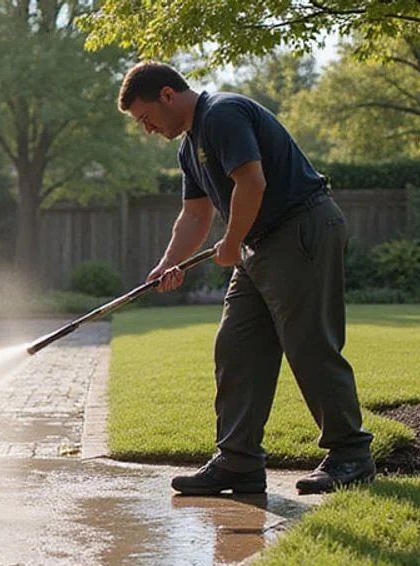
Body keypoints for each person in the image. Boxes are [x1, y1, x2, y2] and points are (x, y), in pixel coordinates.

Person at [117, 62, 375, 495]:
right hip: (259, 244)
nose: (148, 130)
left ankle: (351, 456)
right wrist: (168, 264)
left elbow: (251, 182)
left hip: (300, 229)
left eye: (146, 119)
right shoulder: (189, 148)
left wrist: (233, 242)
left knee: (309, 344)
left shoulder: (222, 114)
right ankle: (238, 462)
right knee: (236, 346)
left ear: (167, 95)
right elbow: (195, 215)